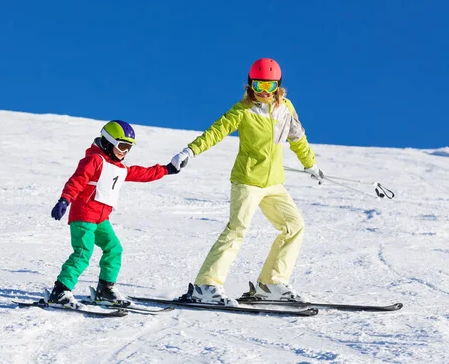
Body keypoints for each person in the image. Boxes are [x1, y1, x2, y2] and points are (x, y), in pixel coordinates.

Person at [170, 58, 324, 306]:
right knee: (237, 229)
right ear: (250, 85)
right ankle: (205, 286)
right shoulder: (242, 110)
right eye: (258, 86)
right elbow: (216, 131)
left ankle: (270, 284)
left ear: (278, 87)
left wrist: (310, 164)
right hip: (247, 181)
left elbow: (298, 138)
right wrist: (189, 151)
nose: (263, 92)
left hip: (274, 183)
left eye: (269, 87)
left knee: (294, 225)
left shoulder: (286, 108)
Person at [46, 120, 181, 309]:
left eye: (129, 148)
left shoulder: (119, 167)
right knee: (83, 253)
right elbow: (77, 180)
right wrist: (64, 199)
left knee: (114, 248)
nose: (124, 151)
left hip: (101, 219)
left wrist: (166, 169)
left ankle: (105, 290)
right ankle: (60, 292)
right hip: (84, 215)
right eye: (122, 146)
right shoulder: (94, 160)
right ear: (108, 142)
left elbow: (141, 173)